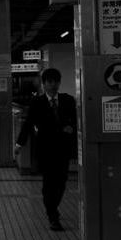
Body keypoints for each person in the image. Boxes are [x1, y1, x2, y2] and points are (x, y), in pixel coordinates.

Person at [14, 68, 76, 231]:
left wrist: (71, 128)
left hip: (63, 150)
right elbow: (28, 124)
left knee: (61, 182)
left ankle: (53, 208)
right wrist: (19, 144)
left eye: (56, 82)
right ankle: (52, 215)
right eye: (49, 82)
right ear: (44, 84)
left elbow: (76, 122)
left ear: (59, 83)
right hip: (45, 150)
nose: (53, 85)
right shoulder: (37, 102)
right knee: (49, 183)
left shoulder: (68, 101)